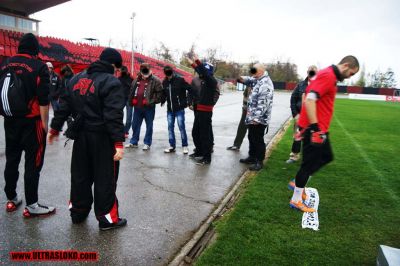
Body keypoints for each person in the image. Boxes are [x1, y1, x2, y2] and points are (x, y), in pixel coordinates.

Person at [48, 47, 127, 230]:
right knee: (105, 179)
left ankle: (78, 212)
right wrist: (118, 142)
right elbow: (113, 115)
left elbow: (64, 106)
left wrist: (54, 128)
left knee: (80, 176)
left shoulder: (76, 78)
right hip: (102, 139)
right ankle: (107, 219)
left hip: (81, 137)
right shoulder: (111, 82)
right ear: (114, 65)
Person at [289, 55, 359, 212]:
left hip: (317, 128)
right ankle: (296, 198)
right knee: (308, 164)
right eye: (352, 73)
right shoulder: (328, 75)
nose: (350, 77)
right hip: (315, 129)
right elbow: (309, 100)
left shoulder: (330, 75)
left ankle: (298, 184)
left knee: (326, 157)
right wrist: (313, 128)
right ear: (346, 65)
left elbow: (309, 96)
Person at [1, 33, 55, 216]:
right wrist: (45, 126)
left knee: (12, 160)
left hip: (10, 121)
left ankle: (11, 199)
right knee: (33, 163)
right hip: (32, 123)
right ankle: (32, 205)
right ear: (34, 48)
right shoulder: (39, 66)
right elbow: (43, 100)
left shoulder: (5, 63)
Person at [238, 64, 274, 171]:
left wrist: (256, 119)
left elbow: (264, 103)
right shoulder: (258, 79)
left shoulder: (266, 83)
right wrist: (242, 78)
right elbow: (249, 79)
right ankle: (252, 157)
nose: (253, 73)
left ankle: (259, 161)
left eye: (255, 71)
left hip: (259, 119)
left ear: (261, 71)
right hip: (252, 117)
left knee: (258, 140)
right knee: (251, 138)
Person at [187, 55, 218, 165]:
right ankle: (199, 152)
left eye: (203, 70)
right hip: (199, 110)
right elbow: (201, 71)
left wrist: (197, 61)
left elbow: (203, 72)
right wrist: (193, 64)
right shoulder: (205, 79)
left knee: (205, 136)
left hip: (206, 112)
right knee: (196, 132)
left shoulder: (211, 81)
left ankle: (207, 158)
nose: (200, 73)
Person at [125, 63, 163, 150]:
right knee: (135, 125)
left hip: (148, 108)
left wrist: (150, 101)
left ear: (150, 70)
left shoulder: (155, 80)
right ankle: (134, 142)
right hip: (137, 107)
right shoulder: (136, 79)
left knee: (149, 126)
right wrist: (131, 100)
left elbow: (160, 94)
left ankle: (147, 143)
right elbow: (131, 91)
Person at [286, 65, 318, 163]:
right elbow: (293, 100)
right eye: (310, 71)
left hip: (313, 118)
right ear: (307, 73)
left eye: (314, 72)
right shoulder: (300, 85)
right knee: (297, 136)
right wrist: (295, 114)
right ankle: (294, 156)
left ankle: (310, 158)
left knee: (312, 139)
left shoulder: (319, 85)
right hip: (300, 116)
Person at [161, 65, 191, 154]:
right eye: (166, 71)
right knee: (170, 128)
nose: (167, 72)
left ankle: (185, 146)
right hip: (170, 109)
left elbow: (189, 89)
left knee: (181, 127)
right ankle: (172, 146)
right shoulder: (164, 82)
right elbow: (164, 93)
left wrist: (187, 102)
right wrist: (162, 100)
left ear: (172, 71)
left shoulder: (180, 80)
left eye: (168, 71)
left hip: (179, 109)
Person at [226, 85, 253, 151]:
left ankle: (254, 151)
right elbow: (245, 96)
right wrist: (244, 107)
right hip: (246, 110)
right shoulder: (249, 84)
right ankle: (236, 145)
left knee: (253, 131)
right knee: (241, 128)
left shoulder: (260, 84)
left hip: (253, 112)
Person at [119, 66, 133, 138]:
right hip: (121, 99)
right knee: (118, 114)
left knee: (129, 116)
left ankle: (126, 131)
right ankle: (121, 130)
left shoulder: (131, 79)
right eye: (122, 70)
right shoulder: (119, 79)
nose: (123, 71)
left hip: (129, 99)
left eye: (124, 70)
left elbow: (134, 89)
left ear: (127, 71)